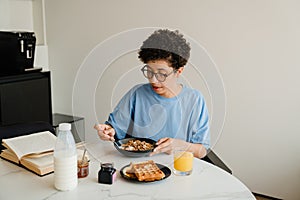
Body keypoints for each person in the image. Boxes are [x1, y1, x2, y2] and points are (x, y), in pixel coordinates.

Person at [94, 29, 210, 158]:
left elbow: (202, 151)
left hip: (176, 168)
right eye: (149, 71)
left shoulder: (194, 100)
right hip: (137, 166)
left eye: (162, 74)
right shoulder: (137, 94)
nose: (153, 80)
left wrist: (180, 145)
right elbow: (115, 130)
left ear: (179, 71)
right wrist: (109, 132)